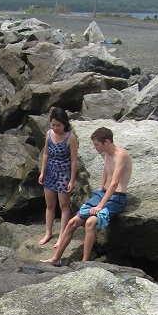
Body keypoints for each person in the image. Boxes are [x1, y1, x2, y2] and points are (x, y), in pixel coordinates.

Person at [43, 126, 132, 265]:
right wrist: (102, 186)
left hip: (116, 198)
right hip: (103, 194)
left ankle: (84, 262)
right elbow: (107, 170)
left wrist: (100, 205)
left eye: (97, 144)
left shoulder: (121, 155)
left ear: (107, 142)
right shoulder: (105, 153)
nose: (95, 147)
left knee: (90, 222)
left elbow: (115, 183)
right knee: (72, 222)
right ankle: (56, 258)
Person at [37, 108, 78, 247]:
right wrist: (42, 172)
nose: (55, 128)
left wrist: (71, 180)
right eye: (53, 124)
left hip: (63, 174)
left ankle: (62, 236)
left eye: (58, 125)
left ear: (64, 124)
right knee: (50, 205)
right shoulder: (49, 134)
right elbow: (46, 154)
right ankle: (48, 232)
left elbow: (73, 160)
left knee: (64, 206)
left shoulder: (70, 137)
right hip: (50, 172)